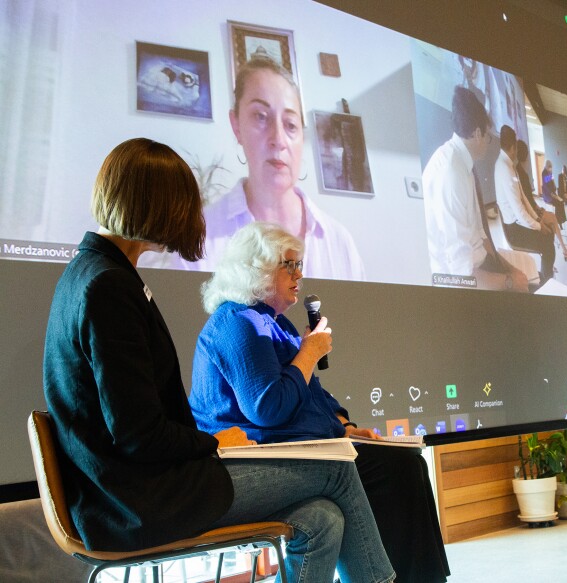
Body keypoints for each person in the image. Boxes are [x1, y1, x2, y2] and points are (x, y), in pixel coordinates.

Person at [42, 138, 394, 583]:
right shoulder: (108, 287)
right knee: (339, 473)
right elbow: (137, 434)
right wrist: (214, 442)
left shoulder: (94, 274)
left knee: (322, 518)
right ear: (159, 204)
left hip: (132, 489)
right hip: (134, 502)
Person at [188, 222, 449, 583]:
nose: (299, 275)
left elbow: (312, 395)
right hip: (254, 458)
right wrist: (308, 353)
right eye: (289, 265)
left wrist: (344, 426)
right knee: (393, 469)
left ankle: (422, 578)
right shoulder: (237, 322)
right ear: (258, 269)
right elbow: (267, 408)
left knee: (406, 462)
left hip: (295, 449)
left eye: (300, 265)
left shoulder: (277, 325)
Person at [161, 56, 364, 280]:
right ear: (236, 125)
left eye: (290, 124)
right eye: (261, 116)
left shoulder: (339, 242)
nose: (278, 138)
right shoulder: (200, 238)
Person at [422, 85, 528, 291]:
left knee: (527, 281)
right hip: (462, 283)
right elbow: (462, 275)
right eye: (489, 137)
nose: (489, 143)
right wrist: (509, 281)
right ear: (478, 133)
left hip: (478, 265)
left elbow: (481, 235)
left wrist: (510, 270)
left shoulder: (463, 163)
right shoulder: (450, 173)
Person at [493, 125, 556, 282]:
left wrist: (538, 220)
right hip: (514, 230)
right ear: (513, 147)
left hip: (518, 223)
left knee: (549, 236)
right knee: (548, 246)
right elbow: (519, 211)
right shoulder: (505, 168)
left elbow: (525, 199)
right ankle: (546, 283)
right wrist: (539, 226)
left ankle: (545, 276)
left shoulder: (507, 165)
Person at [515, 140, 567, 261]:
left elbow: (552, 184)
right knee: (556, 208)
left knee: (559, 204)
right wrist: (553, 197)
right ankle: (564, 248)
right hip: (547, 196)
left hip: (547, 197)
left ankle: (561, 225)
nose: (551, 168)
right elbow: (547, 188)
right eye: (550, 167)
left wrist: (556, 194)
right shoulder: (539, 174)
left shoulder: (549, 174)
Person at [541, 160, 565, 226]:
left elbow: (553, 182)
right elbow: (546, 186)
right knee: (558, 203)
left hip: (552, 193)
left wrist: (555, 189)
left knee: (561, 202)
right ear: (546, 166)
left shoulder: (550, 172)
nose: (550, 168)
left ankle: (561, 220)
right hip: (548, 195)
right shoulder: (544, 173)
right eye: (549, 166)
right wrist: (552, 194)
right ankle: (558, 221)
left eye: (551, 166)